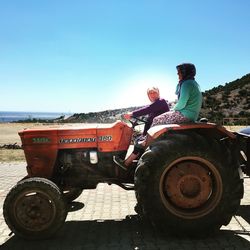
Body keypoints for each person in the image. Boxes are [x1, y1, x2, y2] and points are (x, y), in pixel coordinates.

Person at [114, 86, 169, 170]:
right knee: (138, 139)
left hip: (159, 132)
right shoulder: (154, 105)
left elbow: (147, 109)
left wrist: (132, 114)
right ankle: (136, 163)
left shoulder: (161, 102)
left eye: (155, 92)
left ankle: (126, 163)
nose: (153, 95)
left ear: (158, 93)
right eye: (150, 93)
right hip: (153, 131)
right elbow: (148, 118)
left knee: (139, 143)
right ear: (148, 96)